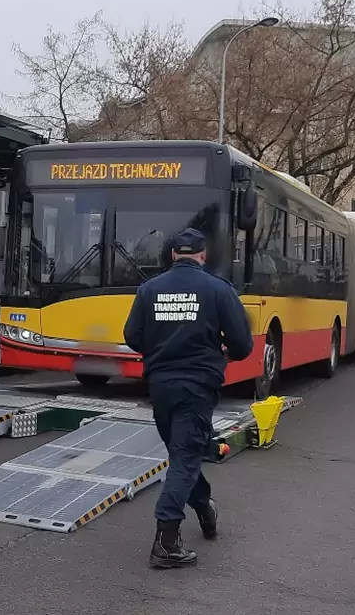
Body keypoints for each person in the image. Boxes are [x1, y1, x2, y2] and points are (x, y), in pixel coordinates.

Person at [123, 227, 254, 569]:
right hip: (197, 385)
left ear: (171, 255)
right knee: (185, 457)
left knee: (182, 453)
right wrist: (223, 349)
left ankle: (204, 506)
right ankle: (165, 543)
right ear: (203, 255)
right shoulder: (218, 289)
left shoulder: (149, 289)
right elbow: (243, 343)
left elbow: (132, 336)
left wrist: (160, 346)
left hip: (160, 386)